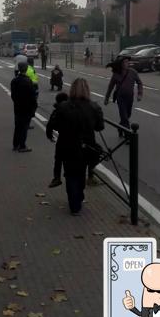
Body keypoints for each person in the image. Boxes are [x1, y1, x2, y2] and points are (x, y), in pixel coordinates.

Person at [52, 78, 104, 215]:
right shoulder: (94, 106)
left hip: (66, 144)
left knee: (70, 173)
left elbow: (56, 125)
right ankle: (78, 199)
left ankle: (74, 203)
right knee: (81, 172)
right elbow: (100, 127)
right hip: (86, 146)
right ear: (87, 90)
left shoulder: (63, 107)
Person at [104, 56, 143, 135]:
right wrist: (106, 98)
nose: (127, 63)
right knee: (124, 117)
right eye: (125, 62)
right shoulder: (116, 74)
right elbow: (110, 87)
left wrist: (139, 94)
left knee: (128, 115)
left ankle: (120, 127)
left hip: (130, 98)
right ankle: (128, 136)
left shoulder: (133, 72)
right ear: (121, 64)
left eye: (127, 62)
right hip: (120, 98)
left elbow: (139, 83)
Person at [10, 62, 37, 153]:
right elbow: (32, 96)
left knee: (18, 126)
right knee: (24, 127)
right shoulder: (28, 81)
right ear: (26, 69)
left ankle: (15, 144)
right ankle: (22, 146)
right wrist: (34, 107)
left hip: (17, 106)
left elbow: (13, 95)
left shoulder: (14, 80)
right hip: (26, 107)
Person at [46, 91, 69, 188]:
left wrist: (50, 135)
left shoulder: (57, 109)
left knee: (58, 158)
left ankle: (56, 177)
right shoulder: (73, 107)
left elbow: (50, 124)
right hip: (76, 139)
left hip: (63, 137)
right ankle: (90, 175)